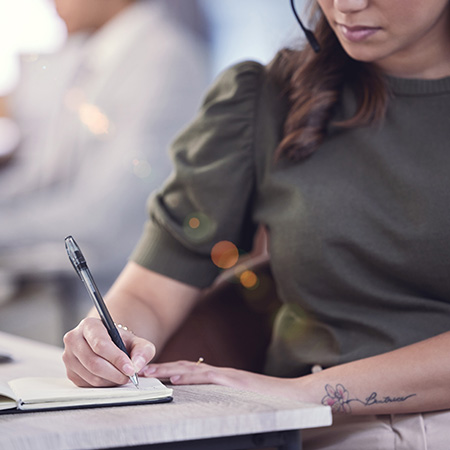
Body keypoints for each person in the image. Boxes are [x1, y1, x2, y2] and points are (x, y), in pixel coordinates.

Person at [62, 0, 450, 447]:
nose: (346, 4)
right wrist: (105, 342)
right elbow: (150, 291)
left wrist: (298, 393)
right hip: (313, 429)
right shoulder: (264, 99)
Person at [0, 0, 208, 337]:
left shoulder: (165, 60)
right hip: (47, 290)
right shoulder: (86, 55)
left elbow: (102, 219)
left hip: (98, 307)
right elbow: (39, 179)